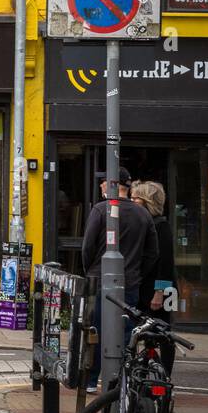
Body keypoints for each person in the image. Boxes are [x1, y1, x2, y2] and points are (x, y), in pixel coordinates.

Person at [81, 167, 158, 391]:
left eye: (103, 182)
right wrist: (136, 271)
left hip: (99, 281)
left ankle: (92, 379)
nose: (100, 186)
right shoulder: (142, 214)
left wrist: (91, 271)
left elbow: (87, 247)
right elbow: (152, 253)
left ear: (111, 185)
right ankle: (119, 380)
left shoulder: (100, 209)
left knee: (95, 330)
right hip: (129, 283)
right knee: (125, 332)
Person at [132, 179, 178, 374]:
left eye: (136, 198)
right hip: (146, 289)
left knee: (164, 334)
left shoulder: (161, 226)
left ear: (147, 201)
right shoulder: (146, 223)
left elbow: (166, 263)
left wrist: (159, 292)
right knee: (143, 333)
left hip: (161, 291)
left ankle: (165, 376)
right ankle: (140, 371)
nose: (132, 201)